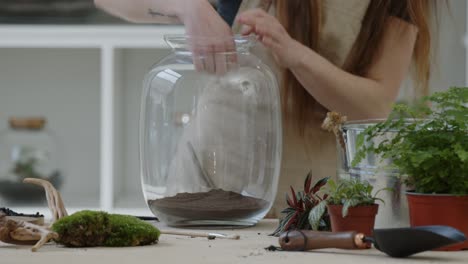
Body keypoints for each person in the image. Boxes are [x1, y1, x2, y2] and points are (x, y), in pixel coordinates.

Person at [95, 0, 434, 217]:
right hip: (206, 181)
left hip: (311, 194)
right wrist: (190, 7)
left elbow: (373, 106)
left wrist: (294, 54)